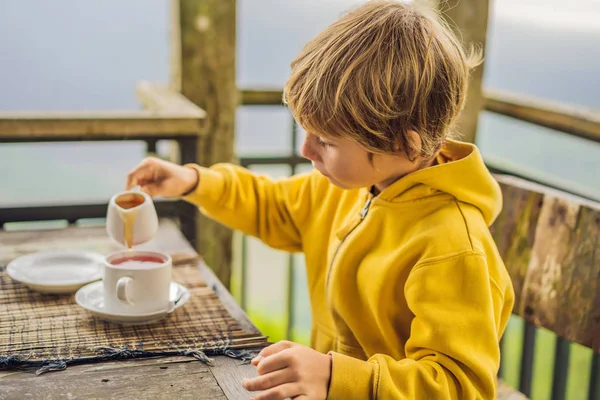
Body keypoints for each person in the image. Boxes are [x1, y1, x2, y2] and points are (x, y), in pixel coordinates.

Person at [126, 1, 515, 398]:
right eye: (306, 131)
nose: (306, 150)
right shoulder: (348, 188)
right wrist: (192, 181)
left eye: (326, 141)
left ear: (404, 143)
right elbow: (271, 205)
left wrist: (335, 377)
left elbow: (458, 385)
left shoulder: (453, 248)